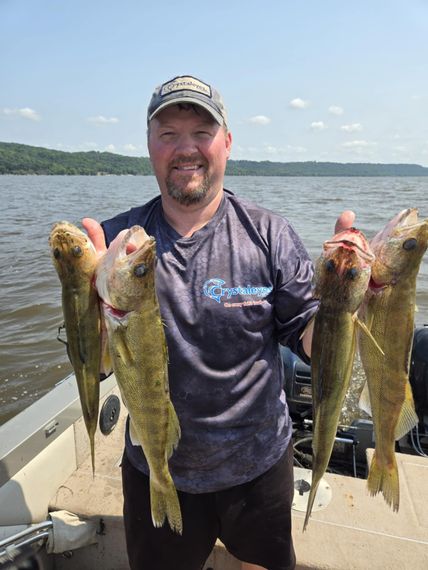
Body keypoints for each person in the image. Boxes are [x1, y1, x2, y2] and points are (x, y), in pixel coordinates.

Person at [83, 75, 355, 570]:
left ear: (227, 143)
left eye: (201, 132)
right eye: (168, 134)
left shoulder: (269, 233)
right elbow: (97, 362)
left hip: (259, 464)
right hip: (156, 465)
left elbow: (312, 341)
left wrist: (343, 297)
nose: (185, 149)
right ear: (149, 146)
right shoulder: (118, 245)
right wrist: (83, 298)